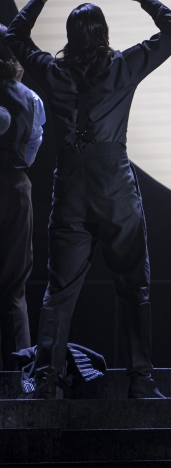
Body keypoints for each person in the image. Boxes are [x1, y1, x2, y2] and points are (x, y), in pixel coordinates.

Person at [6, 0, 171, 398]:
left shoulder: (52, 72)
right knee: (134, 287)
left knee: (59, 291)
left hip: (71, 192)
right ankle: (141, 380)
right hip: (116, 193)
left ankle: (47, 380)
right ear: (104, 34)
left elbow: (14, 36)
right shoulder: (123, 66)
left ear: (70, 36)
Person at [0, 24, 45, 371]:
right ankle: (22, 378)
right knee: (14, 288)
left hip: (14, 187)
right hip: (15, 189)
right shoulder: (31, 99)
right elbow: (31, 150)